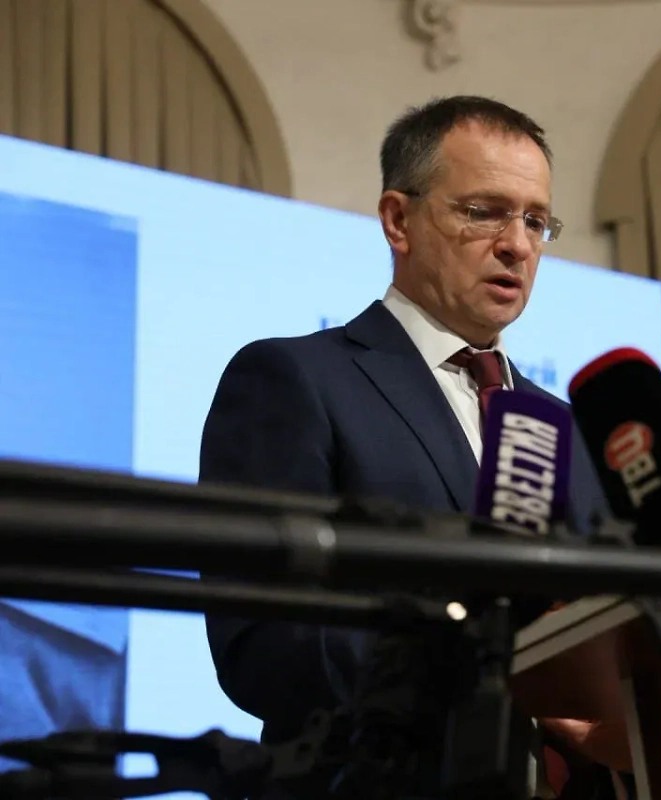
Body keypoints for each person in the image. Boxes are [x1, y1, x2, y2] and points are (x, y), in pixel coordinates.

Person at [199, 96, 628, 798]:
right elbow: (263, 647)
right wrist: (496, 659)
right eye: (484, 212)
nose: (518, 245)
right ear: (399, 220)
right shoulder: (296, 380)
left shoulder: (568, 428)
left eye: (535, 220)